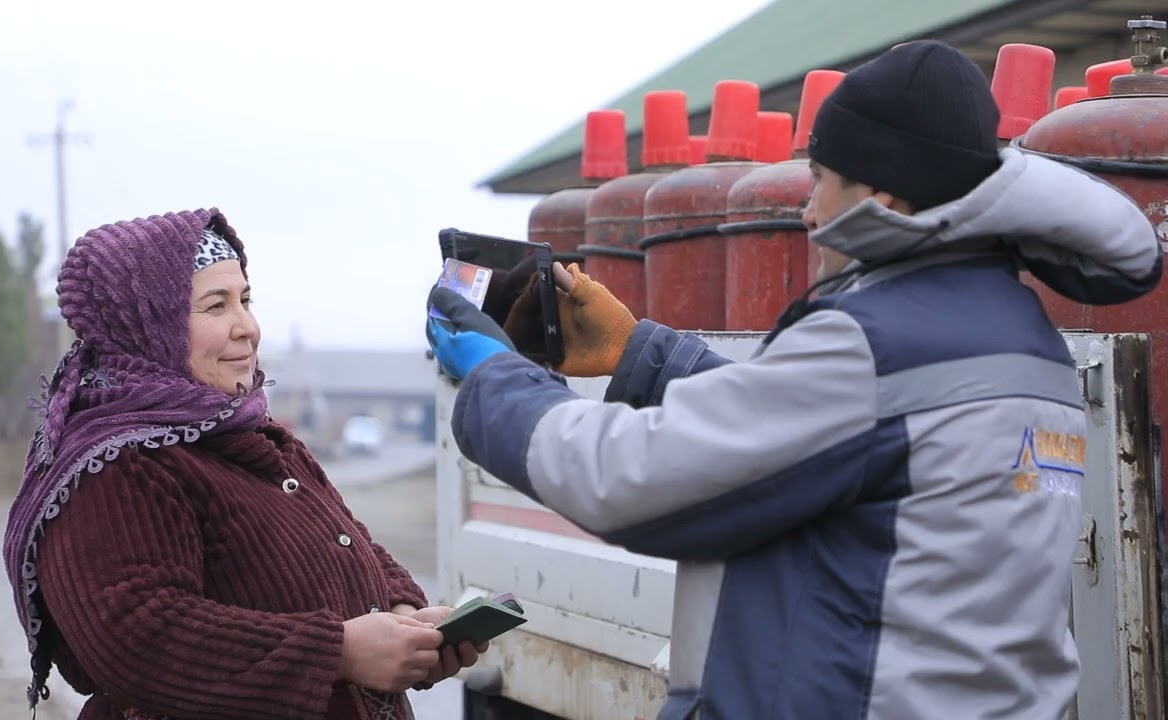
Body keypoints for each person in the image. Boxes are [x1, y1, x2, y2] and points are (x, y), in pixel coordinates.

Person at [425, 41, 1163, 719]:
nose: (807, 213)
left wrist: (495, 377)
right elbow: (834, 445)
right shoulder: (1015, 335)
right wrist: (639, 355)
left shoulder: (878, 342)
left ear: (883, 199)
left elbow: (627, 478)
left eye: (819, 181)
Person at [3, 208, 484, 720]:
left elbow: (346, 541)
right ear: (147, 326)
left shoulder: (254, 437)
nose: (248, 328)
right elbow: (138, 635)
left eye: (245, 300)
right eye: (216, 306)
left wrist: (403, 617)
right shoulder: (115, 467)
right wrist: (339, 652)